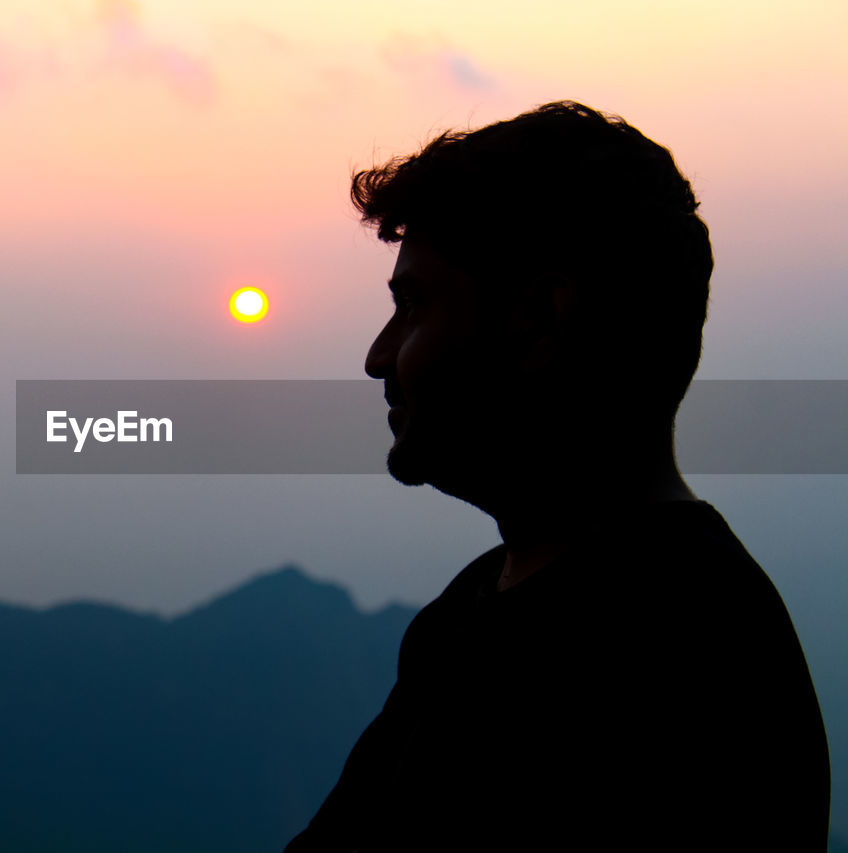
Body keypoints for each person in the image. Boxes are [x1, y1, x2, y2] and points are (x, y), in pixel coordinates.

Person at [284, 101, 831, 850]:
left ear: (540, 318)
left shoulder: (675, 657)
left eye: (414, 305)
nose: (379, 356)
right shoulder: (475, 609)